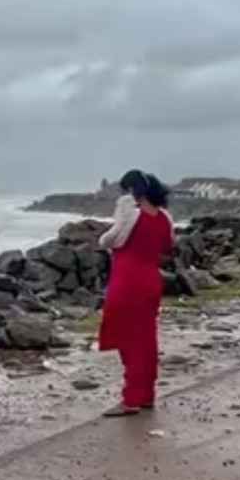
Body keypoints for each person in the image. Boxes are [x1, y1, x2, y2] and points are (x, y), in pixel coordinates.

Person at [97, 169, 174, 417]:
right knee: (146, 339)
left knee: (127, 340)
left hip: (127, 281)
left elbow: (110, 241)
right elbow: (167, 247)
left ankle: (130, 399)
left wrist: (122, 213)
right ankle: (146, 396)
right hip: (151, 281)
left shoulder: (130, 211)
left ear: (132, 190)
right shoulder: (164, 218)